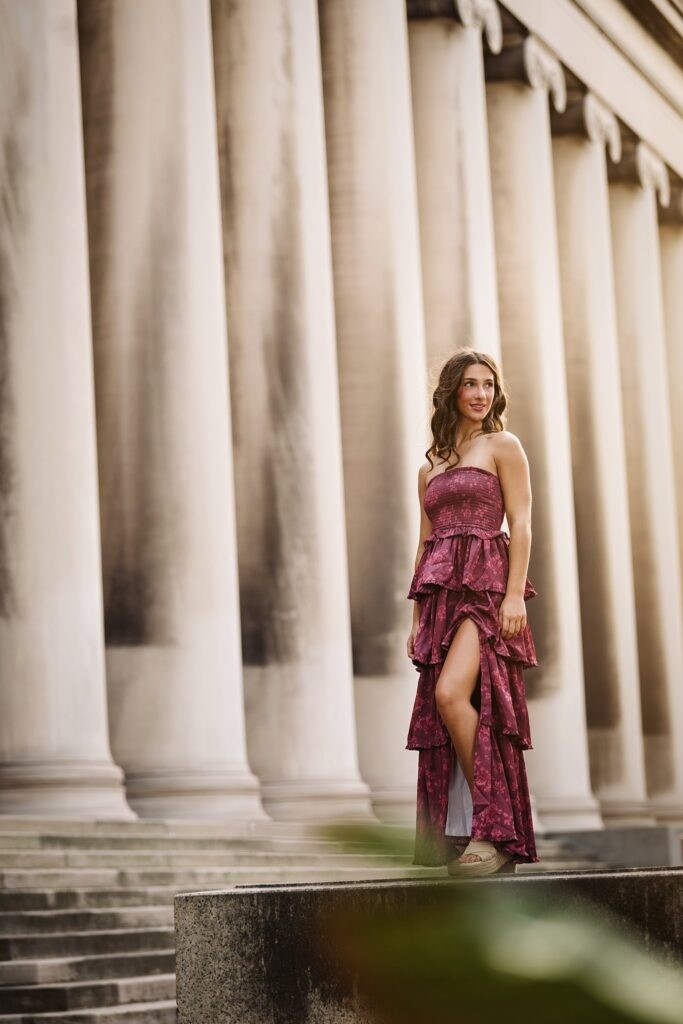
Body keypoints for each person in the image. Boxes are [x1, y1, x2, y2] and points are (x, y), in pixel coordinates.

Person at [406, 348, 539, 877]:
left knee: (450, 695)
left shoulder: (503, 445)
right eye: (471, 384)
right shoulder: (431, 465)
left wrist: (512, 596)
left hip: (485, 592)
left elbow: (522, 523)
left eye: (488, 384)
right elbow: (424, 540)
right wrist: (413, 616)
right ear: (452, 393)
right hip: (440, 595)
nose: (482, 394)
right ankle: (479, 832)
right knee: (447, 708)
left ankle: (494, 826)